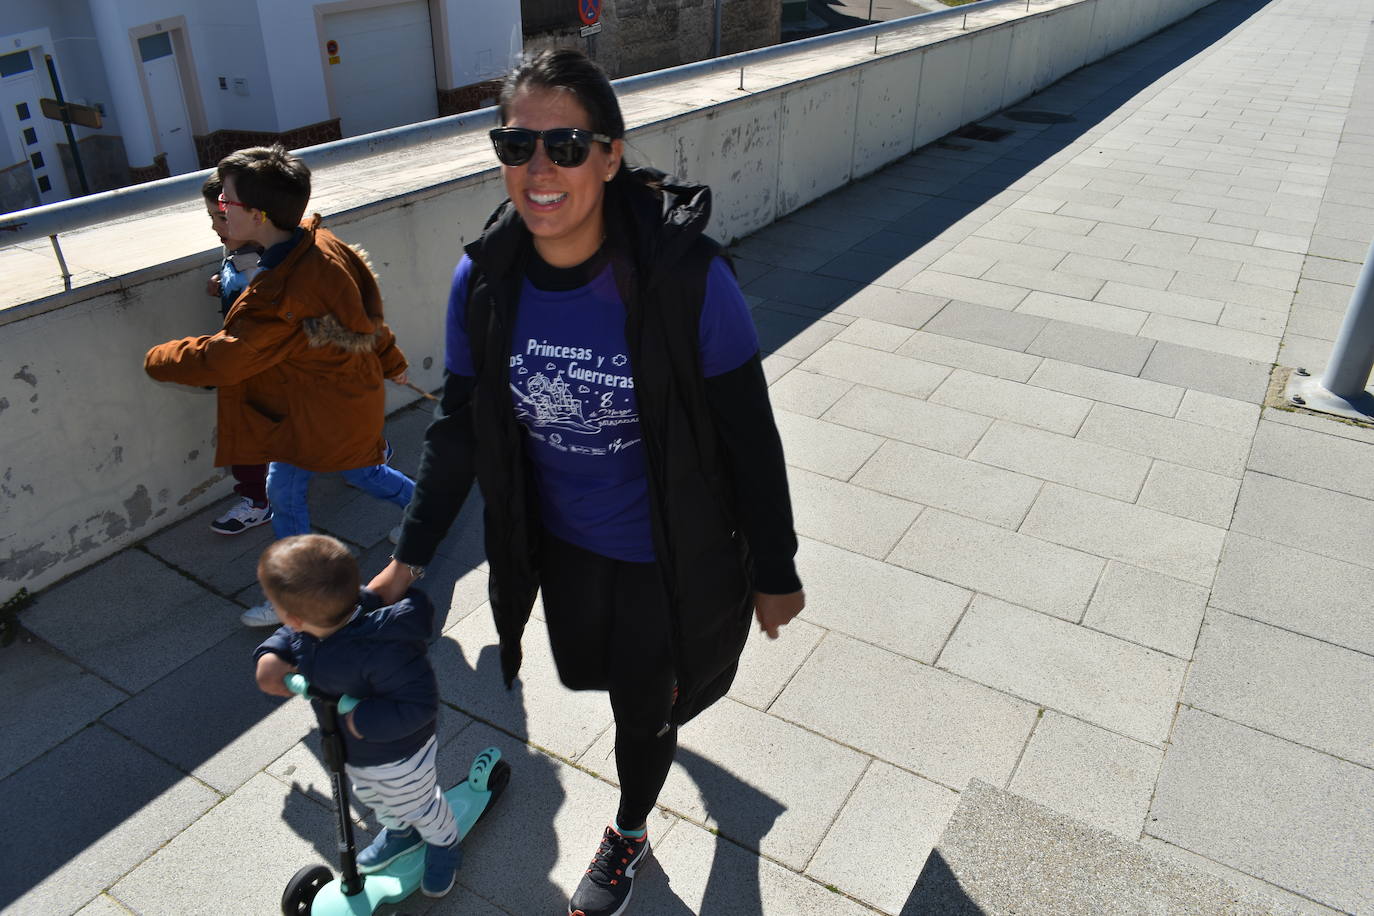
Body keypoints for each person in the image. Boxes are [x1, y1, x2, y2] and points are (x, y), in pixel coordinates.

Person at [367, 49, 805, 916]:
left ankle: (631, 829)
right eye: (516, 143)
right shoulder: (483, 282)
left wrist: (775, 568)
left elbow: (749, 437)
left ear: (610, 154)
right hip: (559, 543)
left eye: (567, 145)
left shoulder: (689, 279)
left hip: (666, 549)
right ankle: (668, 720)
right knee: (599, 675)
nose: (539, 169)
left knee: (644, 710)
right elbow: (458, 430)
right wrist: (406, 559)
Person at [145, 144, 416, 627]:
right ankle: (425, 516)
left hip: (314, 412)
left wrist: (158, 358)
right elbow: (367, 314)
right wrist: (390, 360)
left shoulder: (282, 292)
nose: (219, 212)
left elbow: (226, 358)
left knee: (288, 489)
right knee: (358, 473)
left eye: (224, 202)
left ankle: (299, 594)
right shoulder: (318, 244)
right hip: (338, 399)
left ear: (255, 214)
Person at [251, 534, 461, 898]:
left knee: (419, 803)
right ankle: (400, 832)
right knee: (373, 797)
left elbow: (420, 705)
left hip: (400, 751)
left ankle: (444, 843)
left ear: (296, 617)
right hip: (352, 748)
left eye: (277, 608)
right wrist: (273, 652)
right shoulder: (318, 623)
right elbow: (293, 637)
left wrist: (362, 719)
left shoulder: (383, 648)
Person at [198, 172, 271, 536]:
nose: (215, 226)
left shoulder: (265, 266)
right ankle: (258, 501)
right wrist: (221, 280)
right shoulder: (240, 249)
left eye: (222, 217)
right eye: (211, 217)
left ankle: (367, 453)